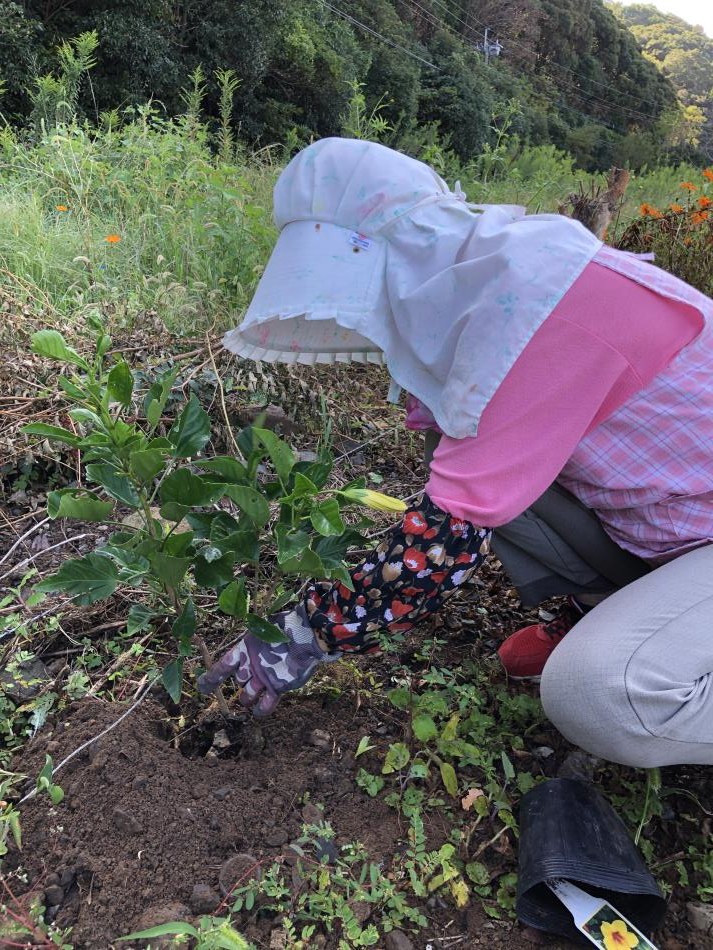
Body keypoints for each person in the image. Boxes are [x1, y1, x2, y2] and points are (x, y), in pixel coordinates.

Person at [199, 137, 713, 770]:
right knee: (454, 442)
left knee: (600, 695)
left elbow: (441, 543)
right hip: (681, 524)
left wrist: (301, 633)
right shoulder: (503, 280)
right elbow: (466, 485)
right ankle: (615, 611)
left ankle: (672, 669)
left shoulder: (542, 311)